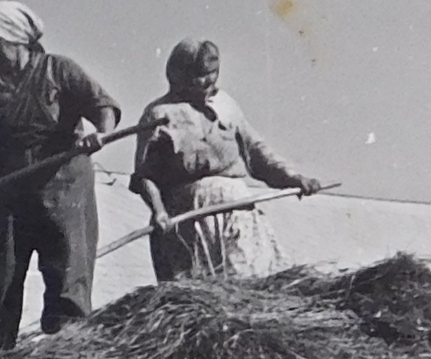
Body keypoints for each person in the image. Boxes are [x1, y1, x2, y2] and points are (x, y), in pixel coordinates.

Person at [0, 1, 122, 350]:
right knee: (2, 276)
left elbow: (103, 107)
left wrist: (100, 134)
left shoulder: (58, 70)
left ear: (15, 39)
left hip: (63, 188)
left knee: (66, 272)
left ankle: (65, 348)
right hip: (12, 192)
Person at [129, 39, 328, 282]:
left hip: (237, 213)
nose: (209, 81)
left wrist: (294, 178)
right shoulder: (159, 114)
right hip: (187, 221)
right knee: (199, 289)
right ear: (179, 76)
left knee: (246, 281)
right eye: (200, 76)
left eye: (213, 73)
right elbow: (144, 176)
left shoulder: (227, 105)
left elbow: (257, 152)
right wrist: (159, 211)